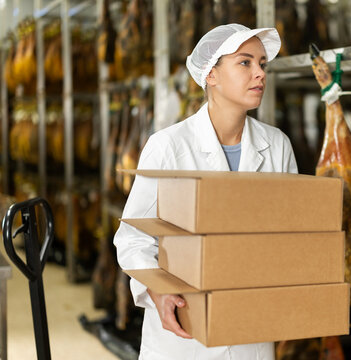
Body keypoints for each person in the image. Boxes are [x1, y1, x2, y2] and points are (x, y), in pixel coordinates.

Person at [113, 24, 298, 360]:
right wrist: (159, 293)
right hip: (184, 333)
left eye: (262, 64)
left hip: (250, 332)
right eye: (245, 63)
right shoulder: (168, 146)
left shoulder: (277, 146)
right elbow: (133, 239)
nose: (259, 73)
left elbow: (291, 236)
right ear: (211, 75)